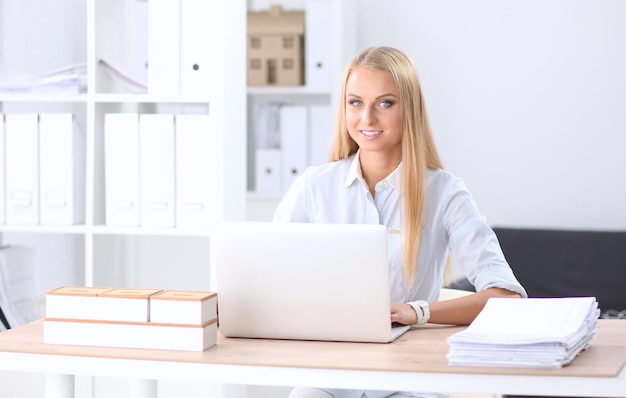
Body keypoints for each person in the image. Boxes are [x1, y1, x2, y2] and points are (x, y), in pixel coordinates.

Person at [273, 46, 527, 398]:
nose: (367, 119)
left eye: (385, 103)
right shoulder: (313, 186)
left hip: (409, 379)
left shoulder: (445, 192)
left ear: (410, 108)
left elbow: (506, 296)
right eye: (356, 103)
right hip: (329, 374)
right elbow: (269, 274)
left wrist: (416, 312)